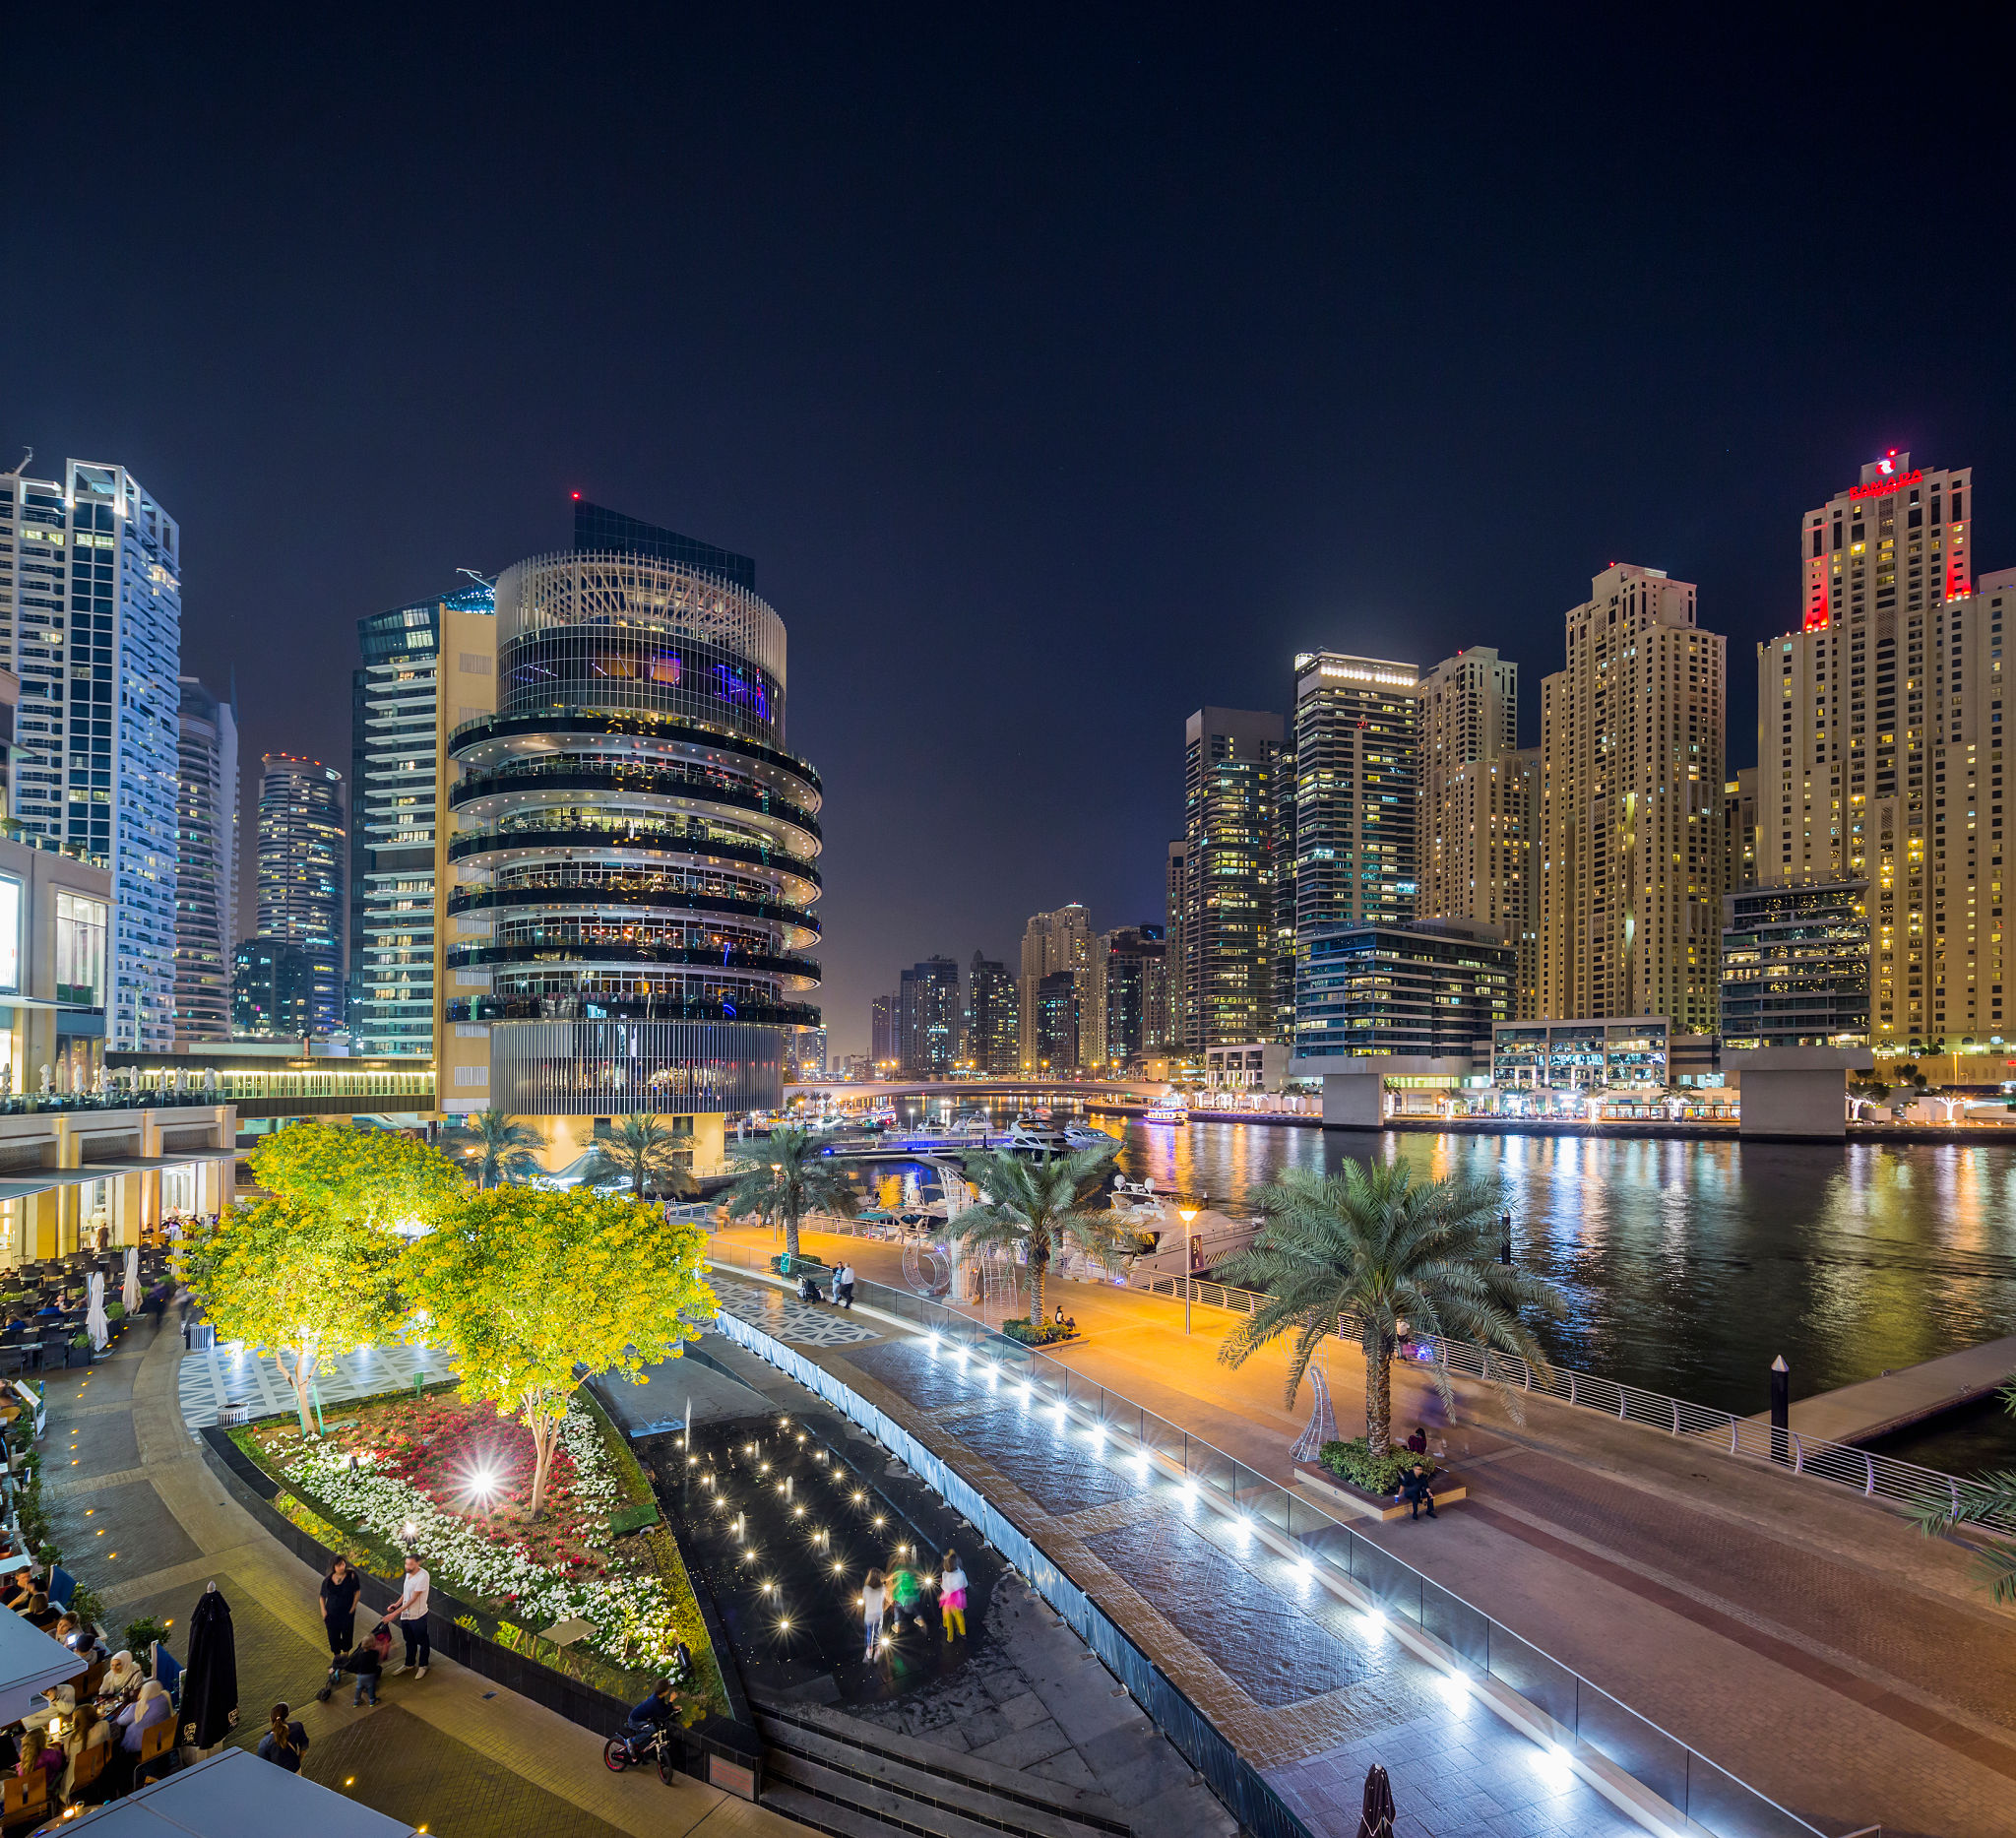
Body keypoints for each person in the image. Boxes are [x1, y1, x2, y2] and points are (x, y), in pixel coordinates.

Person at [386, 1553, 432, 1679]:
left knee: (422, 1641)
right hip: (406, 1615)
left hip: (418, 1616)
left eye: (410, 1564)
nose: (407, 1566)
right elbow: (406, 1592)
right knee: (409, 1640)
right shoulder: (408, 1573)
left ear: (418, 1563)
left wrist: (394, 1614)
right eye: (406, 1564)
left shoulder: (423, 1576)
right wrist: (396, 1604)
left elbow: (413, 1598)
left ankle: (423, 1665)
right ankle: (409, 1664)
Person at [324, 1623, 390, 1706]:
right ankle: (372, 1701)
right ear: (373, 1645)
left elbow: (346, 1665)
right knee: (371, 1686)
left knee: (359, 1688)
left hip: (360, 1676)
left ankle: (356, 1701)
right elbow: (382, 1657)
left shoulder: (359, 1653)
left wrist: (335, 1667)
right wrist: (385, 1646)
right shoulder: (374, 1654)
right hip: (369, 1675)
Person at [622, 1679, 679, 1762]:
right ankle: (631, 1741)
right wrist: (671, 1701)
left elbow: (662, 1708)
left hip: (640, 1718)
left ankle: (641, 1749)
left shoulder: (658, 1697)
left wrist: (672, 1708)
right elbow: (663, 1714)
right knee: (652, 1729)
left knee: (652, 1728)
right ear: (663, 1692)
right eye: (668, 1689)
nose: (669, 1690)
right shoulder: (655, 1702)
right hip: (635, 1721)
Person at [320, 1555, 362, 1661]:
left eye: (343, 1564)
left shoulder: (352, 1575)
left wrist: (353, 1607)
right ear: (334, 1567)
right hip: (331, 1613)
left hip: (347, 1613)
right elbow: (322, 1596)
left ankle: (345, 1657)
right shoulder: (328, 1580)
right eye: (339, 1565)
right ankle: (337, 1658)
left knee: (347, 1633)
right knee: (333, 1635)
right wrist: (323, 1611)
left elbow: (357, 1592)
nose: (342, 1567)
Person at [255, 1703, 309, 1772]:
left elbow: (263, 1764)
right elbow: (304, 1747)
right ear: (287, 1714)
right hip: (295, 1769)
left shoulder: (265, 1742)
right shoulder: (297, 1727)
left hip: (277, 1774)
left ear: (271, 1718)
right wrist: (298, 1761)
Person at [939, 1549, 968, 1642]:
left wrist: (941, 1587)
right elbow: (965, 1584)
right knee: (959, 1616)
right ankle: (962, 1633)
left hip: (948, 1600)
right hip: (959, 1599)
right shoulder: (961, 1573)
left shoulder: (945, 1574)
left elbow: (945, 1588)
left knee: (948, 1618)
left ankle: (949, 1637)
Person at [860, 1568, 887, 1661]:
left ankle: (869, 1650)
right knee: (877, 1631)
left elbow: (864, 1600)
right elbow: (883, 1600)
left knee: (869, 1631)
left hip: (869, 1614)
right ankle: (878, 1650)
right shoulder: (883, 1588)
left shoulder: (866, 1589)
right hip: (878, 1614)